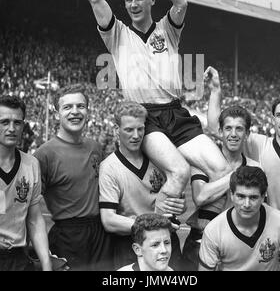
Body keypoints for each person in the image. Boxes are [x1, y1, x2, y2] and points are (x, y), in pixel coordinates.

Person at [87, 0, 230, 214]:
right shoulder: (117, 34)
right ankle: (154, 225)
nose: (133, 4)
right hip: (145, 116)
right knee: (178, 171)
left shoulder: (167, 29)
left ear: (152, 0)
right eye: (128, 0)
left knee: (224, 169)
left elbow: (182, 2)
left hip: (176, 114)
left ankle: (201, 217)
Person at [206, 67, 280, 242]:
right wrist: (215, 91)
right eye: (279, 115)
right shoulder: (259, 143)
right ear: (273, 118)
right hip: (265, 228)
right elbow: (215, 128)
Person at [99, 101, 185, 270]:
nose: (136, 135)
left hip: (166, 242)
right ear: (117, 131)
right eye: (129, 130)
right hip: (132, 244)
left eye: (140, 129)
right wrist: (150, 224)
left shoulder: (159, 159)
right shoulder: (109, 167)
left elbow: (177, 202)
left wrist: (179, 205)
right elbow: (108, 220)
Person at [34, 84, 109, 271]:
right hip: (69, 236)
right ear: (56, 112)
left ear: (88, 110)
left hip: (102, 234)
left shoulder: (96, 148)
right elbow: (29, 210)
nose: (75, 112)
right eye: (67, 107)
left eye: (80, 106)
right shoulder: (44, 155)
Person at [182, 102, 260, 270]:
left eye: (239, 129)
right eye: (228, 128)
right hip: (199, 242)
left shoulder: (256, 167)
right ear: (220, 132)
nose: (233, 134)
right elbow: (201, 197)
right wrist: (237, 174)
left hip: (237, 244)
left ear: (247, 134)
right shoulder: (202, 161)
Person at [199, 166, 280, 271]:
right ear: (231, 195)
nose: (246, 204)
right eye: (241, 196)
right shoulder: (214, 231)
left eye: (253, 197)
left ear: (263, 197)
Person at [0, 95, 51, 271]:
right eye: (4, 122)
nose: (11, 128)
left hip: (18, 258)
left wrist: (46, 264)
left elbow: (35, 219)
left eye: (17, 122)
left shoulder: (31, 164)